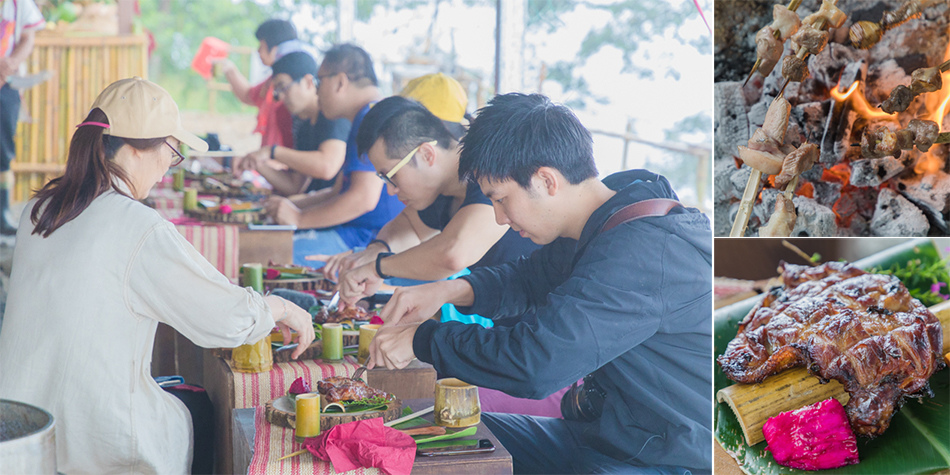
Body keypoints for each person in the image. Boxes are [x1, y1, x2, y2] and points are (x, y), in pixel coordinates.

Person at [367, 93, 712, 473]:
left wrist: (423, 339)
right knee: (426, 434)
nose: (498, 218)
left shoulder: (644, 251)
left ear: (546, 180)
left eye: (501, 199)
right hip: (606, 435)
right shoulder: (607, 216)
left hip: (664, 457)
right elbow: (528, 279)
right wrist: (448, 290)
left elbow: (537, 362)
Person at [0, 77, 315, 473]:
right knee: (197, 410)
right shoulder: (136, 226)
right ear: (134, 148)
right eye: (171, 149)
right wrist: (282, 306)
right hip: (91, 443)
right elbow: (225, 319)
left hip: (20, 428)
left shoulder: (40, 210)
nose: (170, 164)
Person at [264, 43, 403, 265]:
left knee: (265, 253)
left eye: (320, 81)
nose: (316, 91)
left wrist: (299, 219)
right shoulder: (366, 115)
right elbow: (339, 191)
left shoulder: (372, 117)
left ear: (340, 82)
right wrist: (292, 205)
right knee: (264, 242)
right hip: (357, 233)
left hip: (368, 240)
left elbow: (363, 199)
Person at [231, 51, 349, 197]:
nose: (280, 97)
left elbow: (327, 166)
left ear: (308, 82)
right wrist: (255, 162)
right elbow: (293, 186)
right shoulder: (302, 125)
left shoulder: (333, 115)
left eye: (284, 87)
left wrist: (272, 151)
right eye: (277, 91)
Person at [215, 18, 299, 148]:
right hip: (267, 161)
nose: (258, 51)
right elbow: (249, 95)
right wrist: (229, 69)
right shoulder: (272, 82)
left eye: (261, 46)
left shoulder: (293, 90)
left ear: (276, 49)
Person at [0, 0, 44, 235]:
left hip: (7, 84)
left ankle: (2, 212)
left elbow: (28, 37)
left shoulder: (19, 4)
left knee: (4, 150)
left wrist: (11, 63)